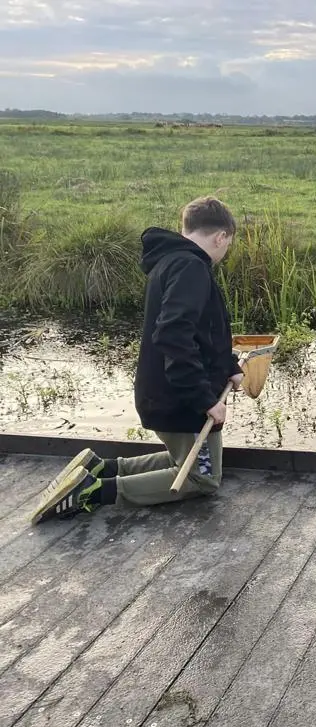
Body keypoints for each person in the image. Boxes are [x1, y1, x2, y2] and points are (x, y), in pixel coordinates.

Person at [31, 196, 244, 524]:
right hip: (182, 398)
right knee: (203, 478)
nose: (225, 251)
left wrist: (229, 367)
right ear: (221, 236)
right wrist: (204, 400)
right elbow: (173, 335)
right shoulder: (191, 268)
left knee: (187, 458)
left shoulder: (173, 261)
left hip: (169, 391)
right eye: (227, 243)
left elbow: (203, 330)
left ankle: (103, 466)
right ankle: (92, 490)